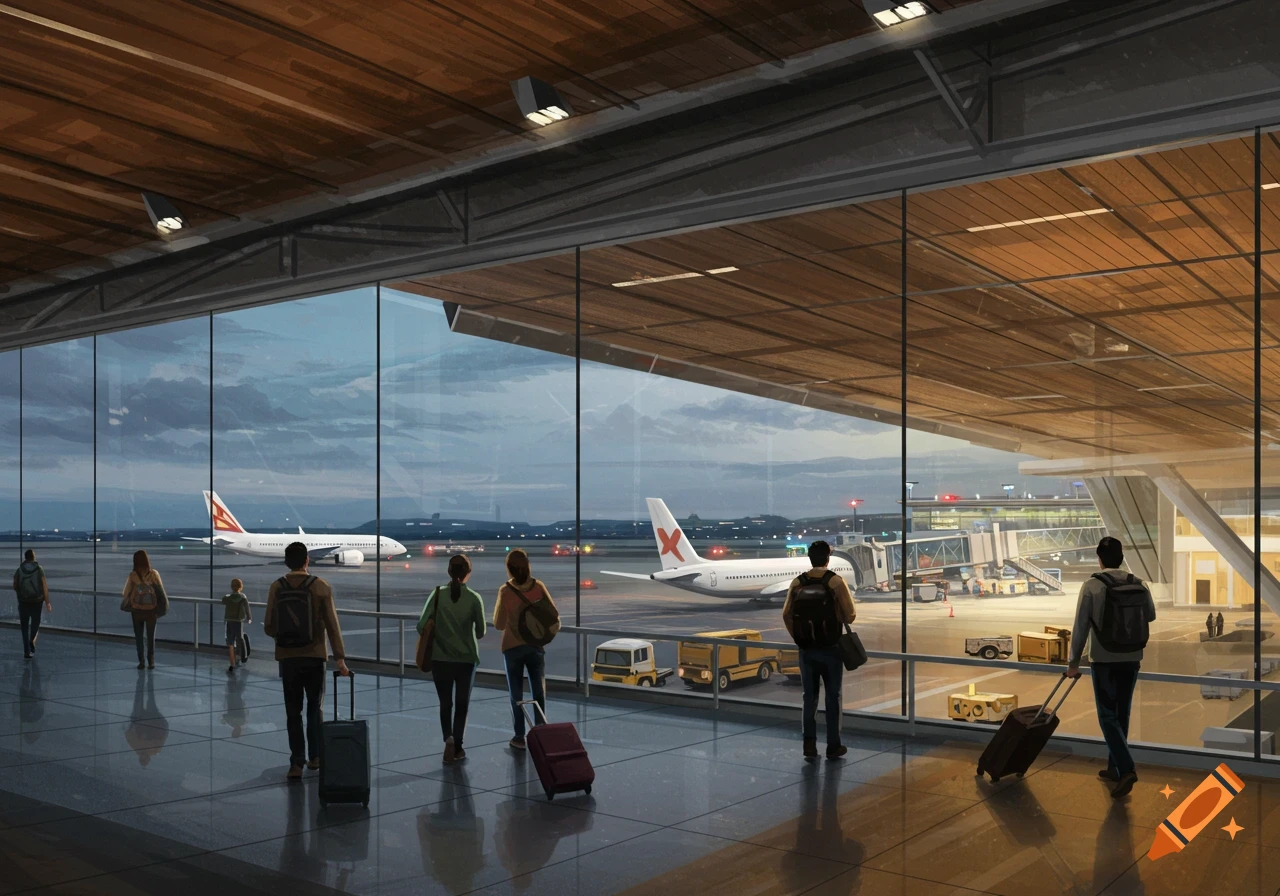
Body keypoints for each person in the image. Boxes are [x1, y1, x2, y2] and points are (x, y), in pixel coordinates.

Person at [1067, 536, 1156, 799]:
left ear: (1100, 558)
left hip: (1104, 659)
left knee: (1107, 715)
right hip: (1132, 657)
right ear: (1122, 558)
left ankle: (1126, 768)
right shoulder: (1139, 584)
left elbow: (1080, 627)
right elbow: (1149, 615)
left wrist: (1073, 663)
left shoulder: (1092, 585)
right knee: (1122, 714)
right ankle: (1114, 768)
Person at [264, 541, 349, 781]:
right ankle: (316, 757)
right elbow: (333, 626)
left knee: (293, 711)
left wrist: (285, 636)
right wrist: (340, 658)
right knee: (314, 708)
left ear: (286, 561)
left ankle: (296, 763)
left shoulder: (276, 587)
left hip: (287, 658)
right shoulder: (320, 586)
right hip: (314, 657)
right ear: (307, 561)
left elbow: (269, 626)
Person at [782, 539, 855, 761]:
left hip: (807, 650)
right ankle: (833, 746)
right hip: (831, 649)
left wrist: (800, 637)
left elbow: (786, 614)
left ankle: (809, 747)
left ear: (810, 558)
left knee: (809, 698)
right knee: (833, 697)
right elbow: (850, 614)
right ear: (828, 558)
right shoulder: (835, 582)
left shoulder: (797, 582)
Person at [418, 554, 485, 764]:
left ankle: (447, 737)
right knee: (462, 704)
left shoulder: (437, 594)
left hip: (440, 658)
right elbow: (481, 632)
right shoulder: (474, 598)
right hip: (466, 660)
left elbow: (421, 626)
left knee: (445, 703)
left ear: (449, 572)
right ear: (467, 574)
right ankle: (458, 746)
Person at [494, 548, 560, 749]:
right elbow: (553, 614)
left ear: (509, 569)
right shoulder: (538, 586)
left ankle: (519, 736)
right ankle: (540, 730)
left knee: (516, 694)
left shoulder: (505, 591)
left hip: (512, 648)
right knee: (538, 691)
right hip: (535, 647)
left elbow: (498, 623)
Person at [123, 550, 164, 670]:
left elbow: (125, 593)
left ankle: (141, 662)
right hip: (151, 611)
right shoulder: (154, 574)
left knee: (139, 637)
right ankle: (151, 662)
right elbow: (160, 592)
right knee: (151, 637)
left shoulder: (133, 575)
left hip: (136, 611)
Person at [13, 549, 51, 659]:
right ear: (34, 557)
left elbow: (15, 585)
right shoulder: (39, 569)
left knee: (24, 626)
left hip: (23, 601)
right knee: (35, 623)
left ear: (25, 557)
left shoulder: (19, 570)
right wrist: (47, 601)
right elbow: (44, 586)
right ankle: (31, 642)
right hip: (37, 601)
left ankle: (26, 651)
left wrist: (20, 594)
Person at [222, 577, 252, 674]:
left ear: (231, 587)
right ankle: (243, 656)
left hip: (229, 621)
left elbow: (223, 600)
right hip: (238, 621)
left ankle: (232, 664)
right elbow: (247, 609)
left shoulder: (228, 597)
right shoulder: (243, 597)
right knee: (240, 638)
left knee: (230, 643)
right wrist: (249, 618)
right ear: (241, 587)